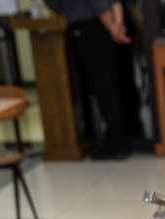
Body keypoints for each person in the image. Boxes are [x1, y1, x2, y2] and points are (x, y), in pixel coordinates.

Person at [44, 0, 141, 159]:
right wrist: (117, 24)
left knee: (104, 86)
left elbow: (99, 3)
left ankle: (116, 143)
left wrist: (113, 27)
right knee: (111, 84)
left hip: (93, 26)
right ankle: (121, 136)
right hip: (105, 24)